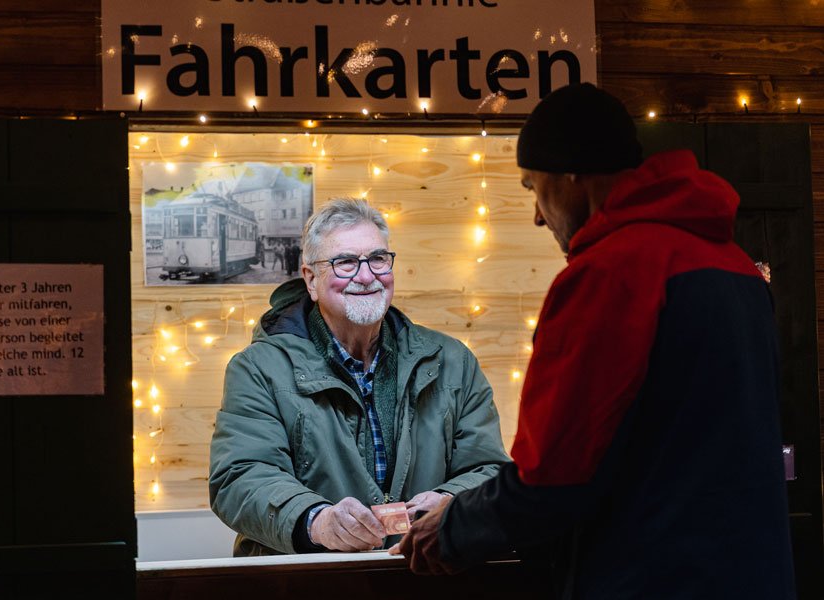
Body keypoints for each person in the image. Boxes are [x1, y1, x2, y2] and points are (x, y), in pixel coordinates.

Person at [391, 83, 796, 599]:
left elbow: (553, 479)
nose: (538, 214)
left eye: (533, 186)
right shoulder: (734, 263)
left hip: (651, 579)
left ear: (571, 174)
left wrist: (452, 527)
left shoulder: (611, 272)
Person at [209, 198, 508, 556]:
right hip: (309, 578)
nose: (366, 277)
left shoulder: (453, 361)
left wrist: (452, 502)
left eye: (378, 259)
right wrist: (316, 521)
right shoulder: (258, 368)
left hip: (424, 573)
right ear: (311, 279)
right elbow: (240, 478)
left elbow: (489, 468)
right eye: (345, 262)